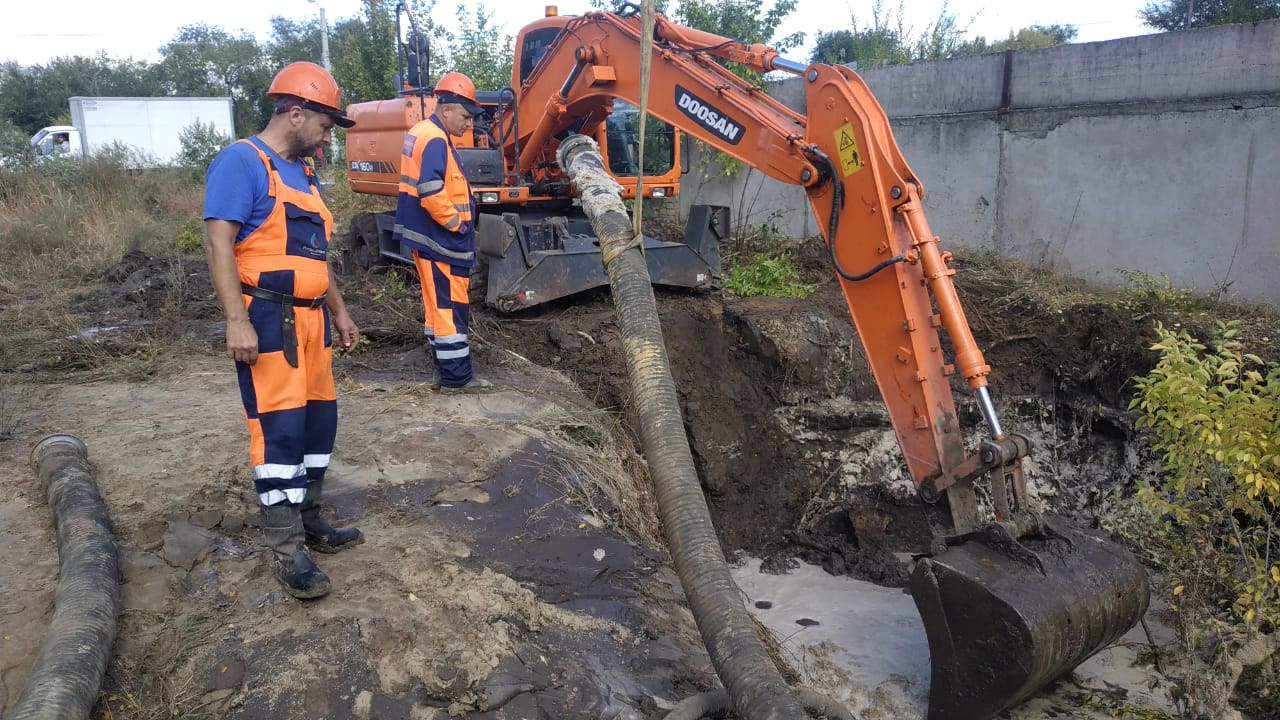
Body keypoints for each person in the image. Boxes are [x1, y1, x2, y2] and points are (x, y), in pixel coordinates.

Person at [203, 61, 363, 599]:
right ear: (296, 113)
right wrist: (236, 320)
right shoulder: (242, 162)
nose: (327, 136)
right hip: (269, 321)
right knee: (280, 433)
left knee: (319, 427)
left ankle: (310, 519)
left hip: (314, 319)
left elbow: (316, 256)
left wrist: (339, 311)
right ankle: (286, 546)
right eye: (324, 124)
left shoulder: (307, 173)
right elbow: (217, 244)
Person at [392, 71, 492, 393]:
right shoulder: (434, 138)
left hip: (427, 238)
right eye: (465, 116)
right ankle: (457, 379)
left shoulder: (422, 132)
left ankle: (443, 369)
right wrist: (458, 225)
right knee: (450, 307)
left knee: (437, 308)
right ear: (445, 108)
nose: (468, 124)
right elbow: (432, 190)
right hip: (441, 240)